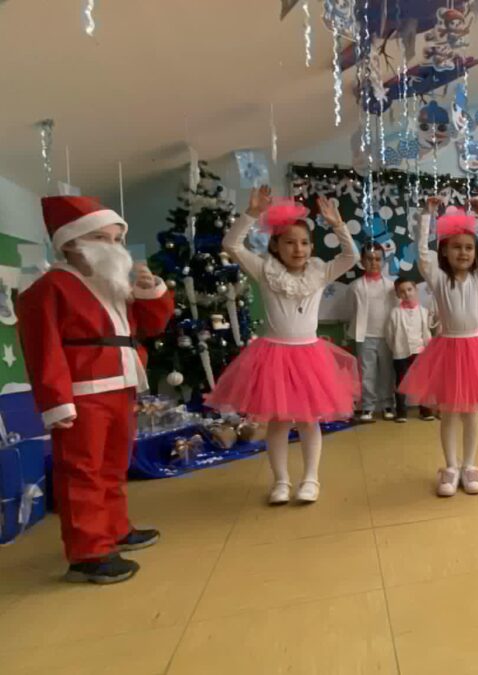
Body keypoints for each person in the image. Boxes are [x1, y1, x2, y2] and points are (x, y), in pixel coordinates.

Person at [17, 195, 174, 583]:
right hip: (82, 392)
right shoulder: (49, 287)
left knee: (114, 465)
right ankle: (88, 551)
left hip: (121, 385)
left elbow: (150, 326)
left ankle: (115, 528)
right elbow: (42, 348)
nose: (114, 247)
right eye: (102, 238)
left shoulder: (112, 283)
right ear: (71, 243)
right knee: (82, 470)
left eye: (117, 239)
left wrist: (151, 291)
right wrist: (56, 401)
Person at [206, 187, 361, 504]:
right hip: (273, 355)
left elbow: (351, 257)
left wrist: (337, 225)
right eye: (289, 242)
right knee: (277, 423)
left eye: (304, 242)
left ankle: (311, 479)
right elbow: (231, 245)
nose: (298, 248)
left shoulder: (320, 271)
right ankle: (280, 481)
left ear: (312, 246)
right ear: (275, 245)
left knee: (308, 420)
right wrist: (251, 213)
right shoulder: (265, 270)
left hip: (309, 355)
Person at [398, 196, 478, 497]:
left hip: (475, 351)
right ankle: (450, 467)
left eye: (468, 248)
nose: (463, 252)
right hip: (447, 350)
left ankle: (470, 465)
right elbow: (421, 254)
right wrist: (427, 214)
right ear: (445, 251)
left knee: (472, 412)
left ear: (475, 253)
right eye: (456, 247)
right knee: (449, 413)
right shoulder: (438, 279)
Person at [348, 243, 397, 424]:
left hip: (386, 336)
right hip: (364, 335)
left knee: (387, 372)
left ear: (383, 261)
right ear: (362, 261)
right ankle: (368, 406)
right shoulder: (355, 286)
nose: (373, 263)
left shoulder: (392, 286)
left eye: (378, 259)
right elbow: (350, 309)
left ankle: (387, 404)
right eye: (369, 259)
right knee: (367, 372)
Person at [386, 278, 434, 422]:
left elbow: (426, 332)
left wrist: (427, 350)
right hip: (401, 354)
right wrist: (397, 349)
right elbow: (389, 335)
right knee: (401, 382)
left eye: (409, 290)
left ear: (415, 290)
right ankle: (401, 412)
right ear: (397, 294)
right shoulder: (395, 313)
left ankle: (425, 410)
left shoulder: (423, 311)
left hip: (420, 352)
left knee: (423, 382)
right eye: (402, 291)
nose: (406, 294)